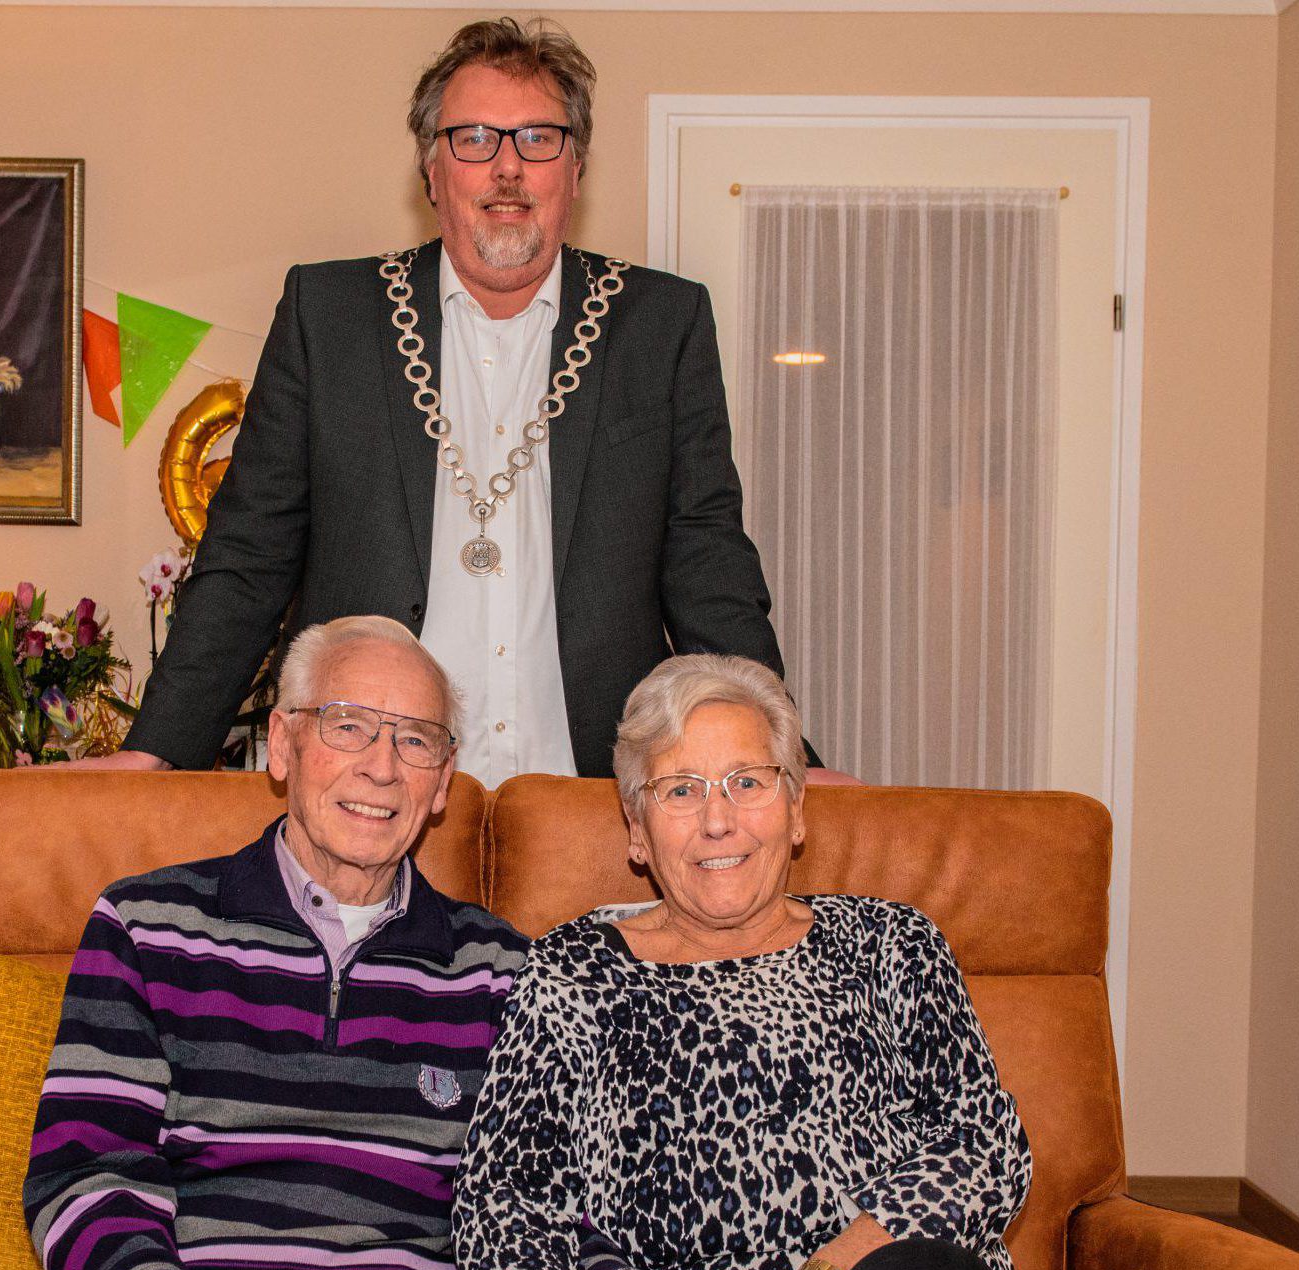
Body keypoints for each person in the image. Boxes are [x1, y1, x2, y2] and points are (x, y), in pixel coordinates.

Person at [107, 17, 795, 788]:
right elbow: (248, 558)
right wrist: (157, 750)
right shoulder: (328, 316)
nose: (508, 166)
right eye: (473, 138)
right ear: (431, 171)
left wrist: (783, 753)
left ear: (576, 169)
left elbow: (707, 562)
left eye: (538, 137)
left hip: (593, 799)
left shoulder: (660, 325)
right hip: (370, 800)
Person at [450, 654, 1056, 1270]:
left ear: (796, 810)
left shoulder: (892, 943)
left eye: (747, 782)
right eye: (680, 789)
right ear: (637, 829)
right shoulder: (574, 972)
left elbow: (982, 1147)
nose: (718, 820)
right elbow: (504, 1199)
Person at [27, 615, 530, 1270]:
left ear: (442, 782)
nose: (383, 768)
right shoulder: (146, 925)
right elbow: (83, 1171)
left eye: (415, 740)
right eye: (348, 725)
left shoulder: (503, 970)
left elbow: (540, 1199)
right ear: (283, 744)